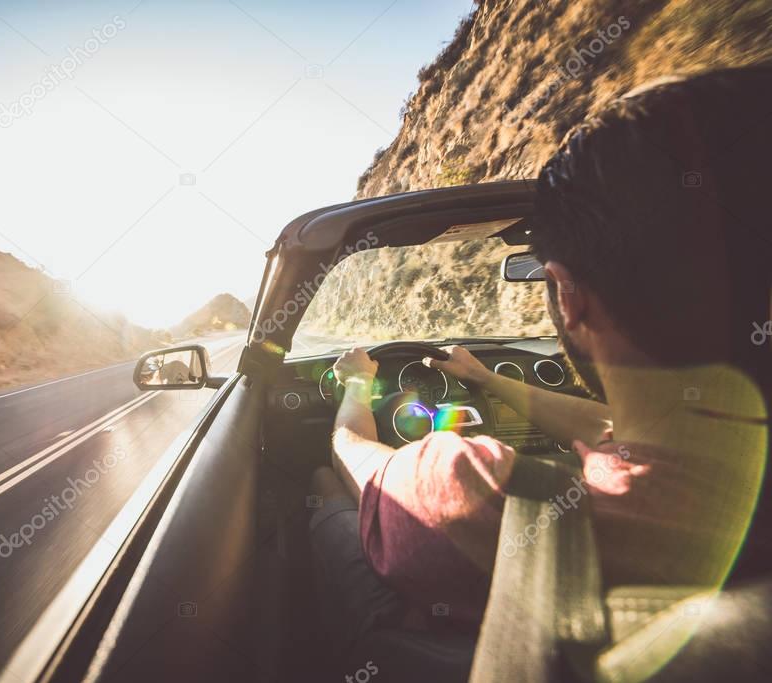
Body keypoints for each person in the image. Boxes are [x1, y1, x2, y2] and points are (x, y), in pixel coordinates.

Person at [309, 67, 772, 658]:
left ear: (567, 296)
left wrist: (356, 385)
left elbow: (355, 456)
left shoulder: (475, 490)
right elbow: (613, 429)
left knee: (325, 487)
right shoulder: (710, 462)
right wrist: (482, 380)